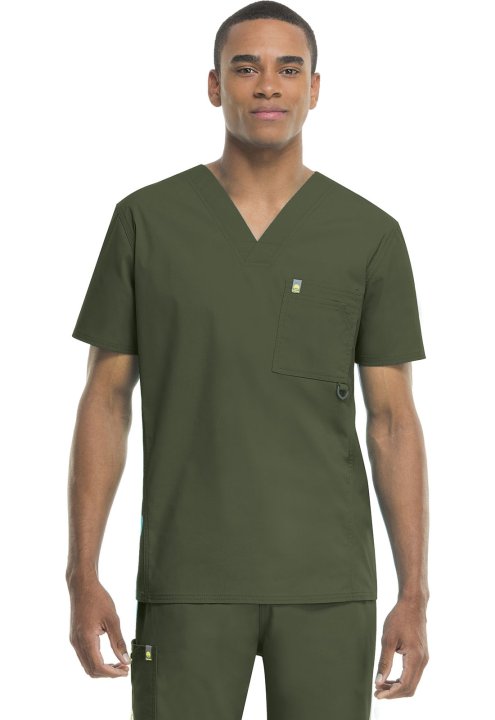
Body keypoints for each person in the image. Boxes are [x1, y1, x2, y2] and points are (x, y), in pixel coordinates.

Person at [66, 2, 430, 718]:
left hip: (328, 586)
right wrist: (82, 574)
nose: (267, 85)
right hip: (185, 582)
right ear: (214, 86)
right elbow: (105, 401)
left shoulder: (368, 234)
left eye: (288, 69)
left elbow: (392, 421)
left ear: (314, 89)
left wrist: (413, 593)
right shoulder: (146, 221)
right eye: (245, 67)